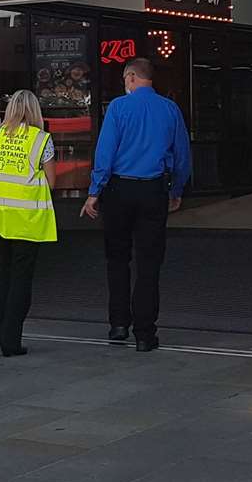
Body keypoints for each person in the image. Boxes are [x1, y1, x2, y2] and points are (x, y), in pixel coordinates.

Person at [81, 57, 191, 352]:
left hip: (119, 189)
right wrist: (177, 189)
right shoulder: (170, 109)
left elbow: (105, 152)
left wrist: (95, 191)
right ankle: (145, 333)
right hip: (154, 190)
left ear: (130, 77)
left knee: (117, 259)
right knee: (149, 263)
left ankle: (118, 324)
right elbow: (182, 154)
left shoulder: (118, 107)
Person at [0, 90, 57, 357]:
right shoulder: (41, 139)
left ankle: (0, 329)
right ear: (35, 110)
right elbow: (52, 181)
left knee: (4, 273)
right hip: (27, 218)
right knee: (21, 279)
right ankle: (11, 339)